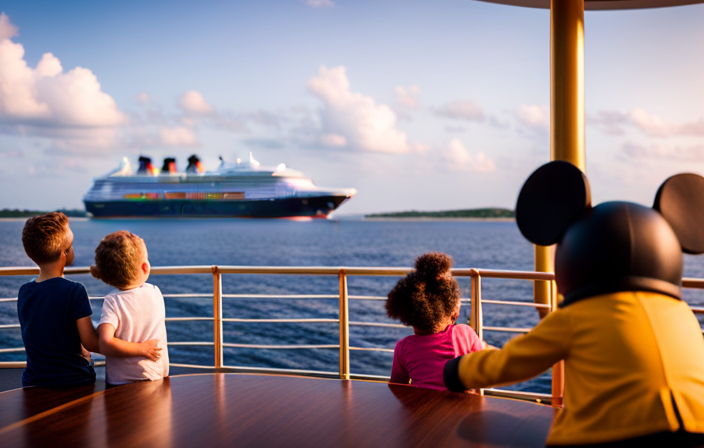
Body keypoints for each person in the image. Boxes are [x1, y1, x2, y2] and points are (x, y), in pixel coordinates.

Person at [18, 212, 159, 388]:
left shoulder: (25, 291)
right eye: (71, 245)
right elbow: (91, 342)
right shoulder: (74, 291)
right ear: (65, 254)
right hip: (74, 380)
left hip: (34, 380)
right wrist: (127, 344)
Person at [386, 252, 483, 391]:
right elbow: (481, 373)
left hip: (420, 410)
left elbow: (397, 387)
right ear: (454, 311)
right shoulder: (464, 334)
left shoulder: (403, 348)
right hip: (463, 410)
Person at [91, 231, 169, 386]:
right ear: (145, 268)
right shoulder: (155, 292)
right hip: (156, 377)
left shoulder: (112, 301)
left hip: (121, 383)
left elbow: (105, 342)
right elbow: (105, 342)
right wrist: (141, 349)